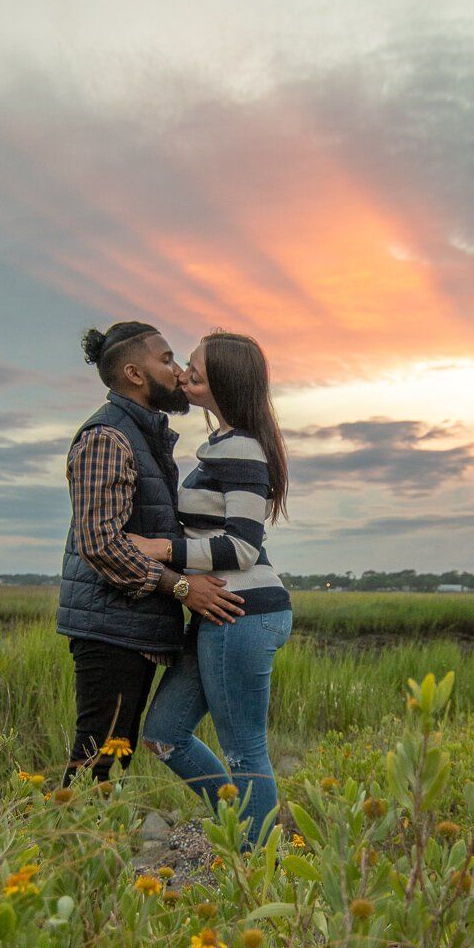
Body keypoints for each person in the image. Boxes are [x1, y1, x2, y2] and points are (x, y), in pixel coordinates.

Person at [56, 320, 244, 784]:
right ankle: (66, 851)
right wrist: (181, 587)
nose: (177, 370)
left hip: (129, 625)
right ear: (134, 374)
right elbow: (100, 542)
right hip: (110, 628)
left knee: (110, 760)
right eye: (166, 360)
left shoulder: (144, 434)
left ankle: (89, 851)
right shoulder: (108, 437)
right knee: (94, 763)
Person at [132, 329, 292, 842]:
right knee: (163, 734)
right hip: (217, 611)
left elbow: (242, 547)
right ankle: (241, 829)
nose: (185, 372)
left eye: (195, 367)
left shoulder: (242, 447)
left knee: (244, 747)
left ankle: (256, 858)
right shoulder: (222, 445)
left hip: (244, 610)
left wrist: (162, 550)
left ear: (224, 377)